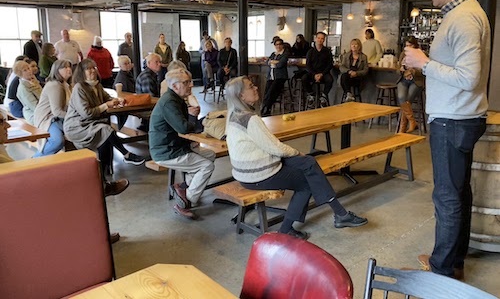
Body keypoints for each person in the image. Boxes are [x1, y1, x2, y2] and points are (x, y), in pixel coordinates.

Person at [404, 0, 490, 280]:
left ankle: (441, 272)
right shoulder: (463, 13)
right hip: (459, 116)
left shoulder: (464, 18)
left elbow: (468, 77)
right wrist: (422, 67)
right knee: (458, 192)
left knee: (447, 197)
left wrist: (424, 63)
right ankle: (452, 262)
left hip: (453, 119)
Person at [225, 76, 368, 239]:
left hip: (245, 172)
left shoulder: (233, 116)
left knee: (309, 162)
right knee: (307, 182)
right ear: (241, 96)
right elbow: (275, 147)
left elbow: (270, 147)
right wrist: (297, 152)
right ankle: (286, 230)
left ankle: (341, 214)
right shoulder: (251, 119)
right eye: (251, 86)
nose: (256, 88)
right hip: (258, 174)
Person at [149, 68, 215, 220]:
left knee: (210, 154)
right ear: (174, 86)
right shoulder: (169, 102)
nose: (191, 85)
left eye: (190, 81)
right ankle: (185, 202)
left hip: (175, 146)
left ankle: (184, 188)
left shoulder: (176, 99)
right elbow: (184, 128)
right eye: (186, 82)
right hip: (165, 151)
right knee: (206, 166)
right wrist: (193, 117)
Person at [64, 59, 145, 177]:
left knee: (106, 135)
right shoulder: (79, 88)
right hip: (77, 126)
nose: (92, 71)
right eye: (88, 69)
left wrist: (117, 101)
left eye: (94, 68)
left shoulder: (97, 85)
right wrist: (106, 105)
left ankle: (105, 173)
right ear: (82, 72)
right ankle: (126, 155)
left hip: (92, 124)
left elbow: (108, 99)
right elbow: (86, 113)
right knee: (106, 130)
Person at [33, 60, 73, 157]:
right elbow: (57, 112)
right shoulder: (55, 85)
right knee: (57, 141)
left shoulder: (65, 84)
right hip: (48, 118)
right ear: (56, 71)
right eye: (64, 67)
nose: (68, 69)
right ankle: (34, 160)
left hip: (58, 118)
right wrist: (74, 116)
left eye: (69, 67)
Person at [397, 36, 424, 133]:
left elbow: (424, 71)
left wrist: (413, 71)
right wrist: (401, 70)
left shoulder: (421, 54)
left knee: (407, 101)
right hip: (404, 79)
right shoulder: (403, 54)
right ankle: (412, 122)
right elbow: (398, 68)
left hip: (416, 81)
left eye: (410, 45)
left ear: (415, 45)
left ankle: (402, 128)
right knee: (401, 98)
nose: (408, 48)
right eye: (406, 45)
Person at [301, 32, 333, 108]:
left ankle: (323, 96)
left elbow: (330, 64)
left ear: (324, 40)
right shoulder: (310, 51)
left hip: (324, 73)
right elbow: (308, 65)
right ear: (315, 39)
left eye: (322, 38)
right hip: (312, 73)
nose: (320, 40)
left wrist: (322, 74)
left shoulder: (327, 51)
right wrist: (314, 74)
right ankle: (311, 94)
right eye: (318, 38)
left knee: (330, 80)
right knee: (304, 78)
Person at [261, 38, 288, 116]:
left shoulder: (285, 54)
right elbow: (267, 62)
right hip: (271, 77)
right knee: (267, 91)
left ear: (282, 45)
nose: (278, 46)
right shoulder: (273, 54)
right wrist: (274, 62)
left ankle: (267, 108)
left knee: (272, 91)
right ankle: (265, 107)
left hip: (280, 77)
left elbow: (280, 65)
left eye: (280, 44)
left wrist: (272, 62)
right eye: (276, 44)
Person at [339, 38, 369, 103]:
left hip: (357, 78)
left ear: (359, 46)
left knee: (345, 79)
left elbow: (366, 70)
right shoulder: (346, 55)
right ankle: (349, 93)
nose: (354, 46)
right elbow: (342, 67)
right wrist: (349, 71)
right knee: (344, 76)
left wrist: (356, 73)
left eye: (356, 45)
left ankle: (348, 95)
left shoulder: (363, 57)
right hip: (347, 76)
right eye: (352, 44)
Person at [15, 59, 42, 124]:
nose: (29, 71)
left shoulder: (33, 81)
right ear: (20, 74)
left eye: (28, 68)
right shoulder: (23, 88)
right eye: (25, 70)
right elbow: (34, 106)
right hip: (33, 114)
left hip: (43, 109)